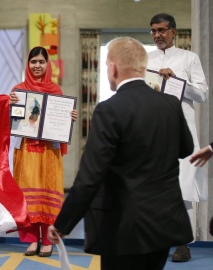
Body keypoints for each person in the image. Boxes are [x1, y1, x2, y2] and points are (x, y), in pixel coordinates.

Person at [47, 37, 194, 270]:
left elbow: (90, 177)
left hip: (123, 226)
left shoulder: (109, 109)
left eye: (107, 66)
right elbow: (187, 149)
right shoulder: (170, 104)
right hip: (163, 221)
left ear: (114, 67)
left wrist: (63, 223)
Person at [147, 13, 209, 262]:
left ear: (173, 31)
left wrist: (178, 81)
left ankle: (183, 243)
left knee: (184, 188)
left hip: (182, 131)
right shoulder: (146, 59)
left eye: (162, 30)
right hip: (152, 132)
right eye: (153, 31)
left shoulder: (189, 58)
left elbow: (203, 94)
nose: (157, 35)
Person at [9, 46, 77, 257]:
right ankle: (30, 240)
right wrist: (8, 106)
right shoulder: (18, 91)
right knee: (27, 195)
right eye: (33, 62)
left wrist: (69, 117)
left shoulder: (56, 91)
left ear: (48, 65)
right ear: (27, 65)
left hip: (49, 151)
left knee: (47, 193)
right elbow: (12, 121)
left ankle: (47, 240)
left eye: (41, 62)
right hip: (26, 150)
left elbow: (59, 122)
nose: (37, 66)